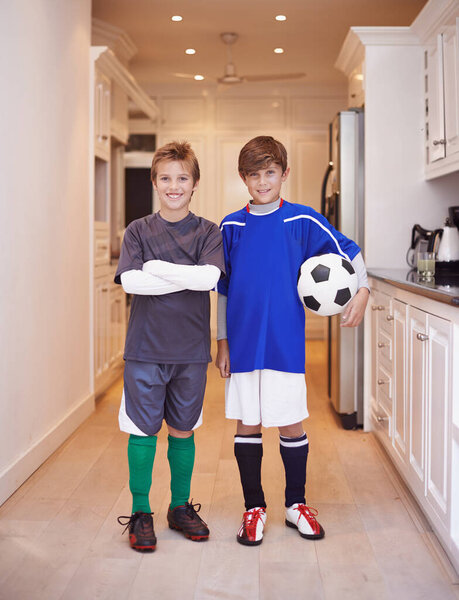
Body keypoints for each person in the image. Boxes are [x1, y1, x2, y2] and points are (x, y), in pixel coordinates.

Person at [215, 136, 369, 546]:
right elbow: (223, 287)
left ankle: (295, 504)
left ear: (284, 174)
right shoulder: (230, 226)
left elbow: (348, 251)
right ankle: (254, 508)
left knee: (289, 421)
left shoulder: (303, 221)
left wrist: (363, 291)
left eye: (270, 173)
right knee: (247, 423)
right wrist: (222, 342)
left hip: (285, 344)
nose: (262, 181)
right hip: (244, 345)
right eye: (253, 174)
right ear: (243, 178)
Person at [115, 141, 225, 552]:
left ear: (194, 183)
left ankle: (179, 507)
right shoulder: (138, 230)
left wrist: (157, 268)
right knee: (142, 430)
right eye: (166, 178)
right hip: (145, 349)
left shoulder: (208, 231)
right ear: (155, 182)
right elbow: (131, 282)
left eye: (182, 178)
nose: (174, 185)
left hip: (191, 353)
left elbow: (209, 279)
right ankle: (141, 511)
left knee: (182, 430)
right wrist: (187, 273)